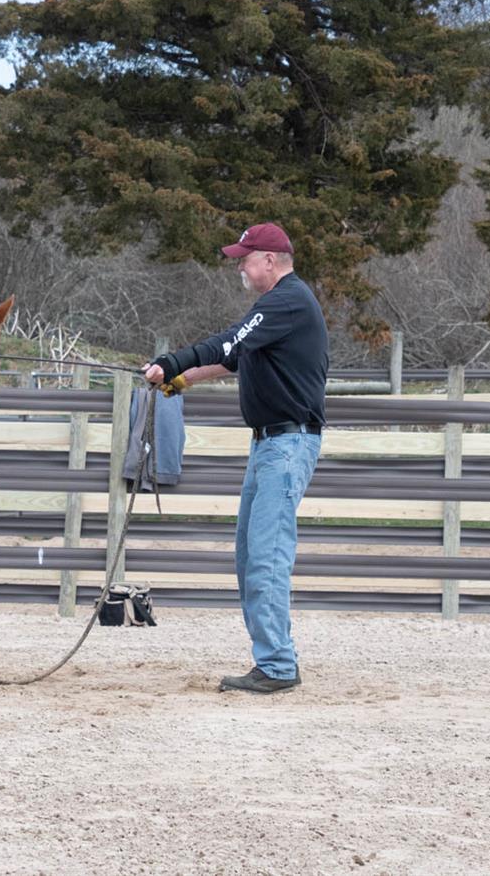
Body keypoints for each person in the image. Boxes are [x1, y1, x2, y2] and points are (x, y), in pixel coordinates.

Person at [143, 222, 327, 694]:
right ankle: (273, 659)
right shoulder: (280, 306)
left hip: (285, 446)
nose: (240, 267)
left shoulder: (285, 301)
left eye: (244, 259)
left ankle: (278, 666)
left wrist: (172, 362)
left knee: (266, 556)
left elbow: (228, 342)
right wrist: (184, 379)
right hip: (269, 445)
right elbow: (233, 358)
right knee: (250, 555)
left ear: (269, 260)